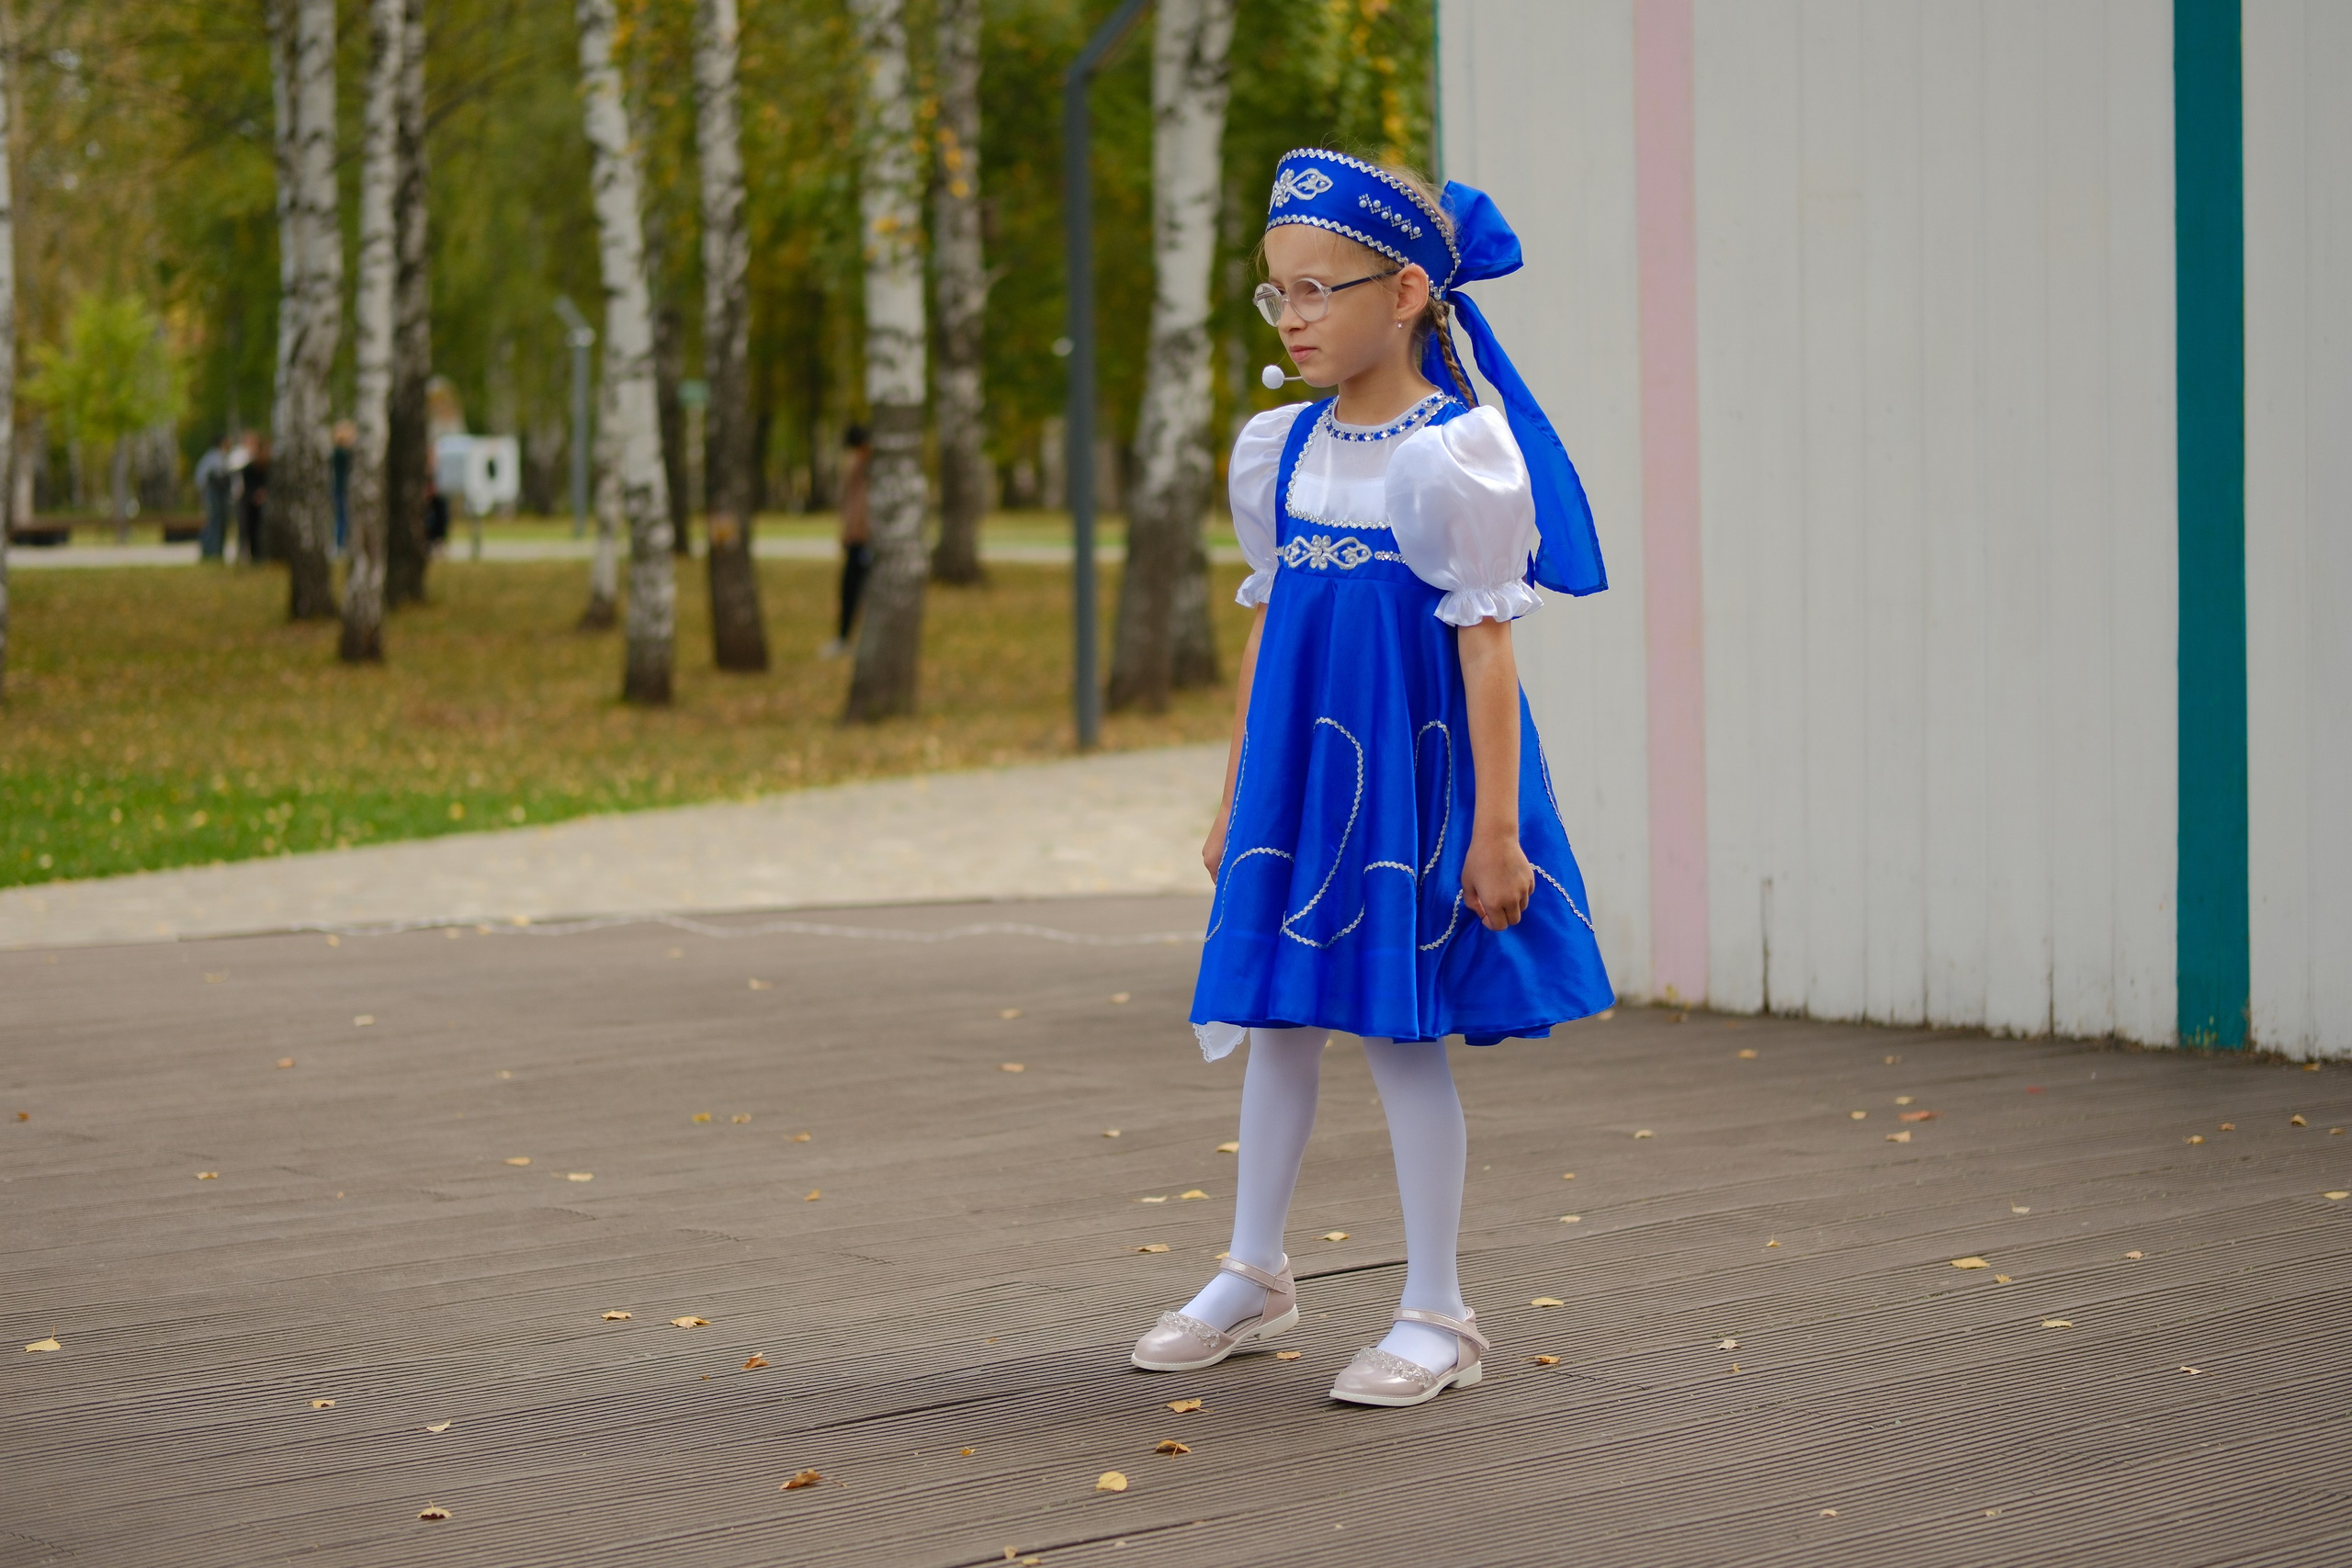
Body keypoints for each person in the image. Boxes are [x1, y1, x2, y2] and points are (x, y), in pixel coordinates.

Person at [1128, 152, 1614, 1408]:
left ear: (1404, 293)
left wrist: (1497, 832)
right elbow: (1268, 623)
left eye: (1315, 292)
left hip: (1410, 778)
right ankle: (1253, 1267)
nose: (1290, 318)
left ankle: (1438, 1306)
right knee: (1278, 1015)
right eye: (1275, 294)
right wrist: (1236, 797)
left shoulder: (1457, 452)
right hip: (1302, 775)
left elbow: (1488, 643)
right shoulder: (1276, 448)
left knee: (1402, 1037)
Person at [822, 424, 873, 659]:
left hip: (866, 540)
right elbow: (850, 506)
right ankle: (844, 638)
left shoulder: (872, 469)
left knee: (864, 591)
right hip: (856, 539)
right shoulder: (855, 466)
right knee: (849, 591)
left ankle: (859, 638)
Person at [193, 435, 233, 561]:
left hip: (217, 495)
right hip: (213, 495)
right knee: (214, 522)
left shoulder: (216, 456)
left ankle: (215, 552)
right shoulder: (214, 457)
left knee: (217, 522)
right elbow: (203, 478)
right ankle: (211, 552)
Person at [236, 434, 270, 564]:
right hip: (251, 503)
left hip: (264, 502)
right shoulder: (249, 469)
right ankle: (254, 555)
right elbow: (247, 487)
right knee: (251, 529)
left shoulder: (270, 467)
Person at [330, 420, 356, 556]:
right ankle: (339, 544)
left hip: (338, 488)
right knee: (342, 517)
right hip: (341, 489)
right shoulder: (341, 454)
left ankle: (341, 543)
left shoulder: (336, 453)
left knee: (341, 516)